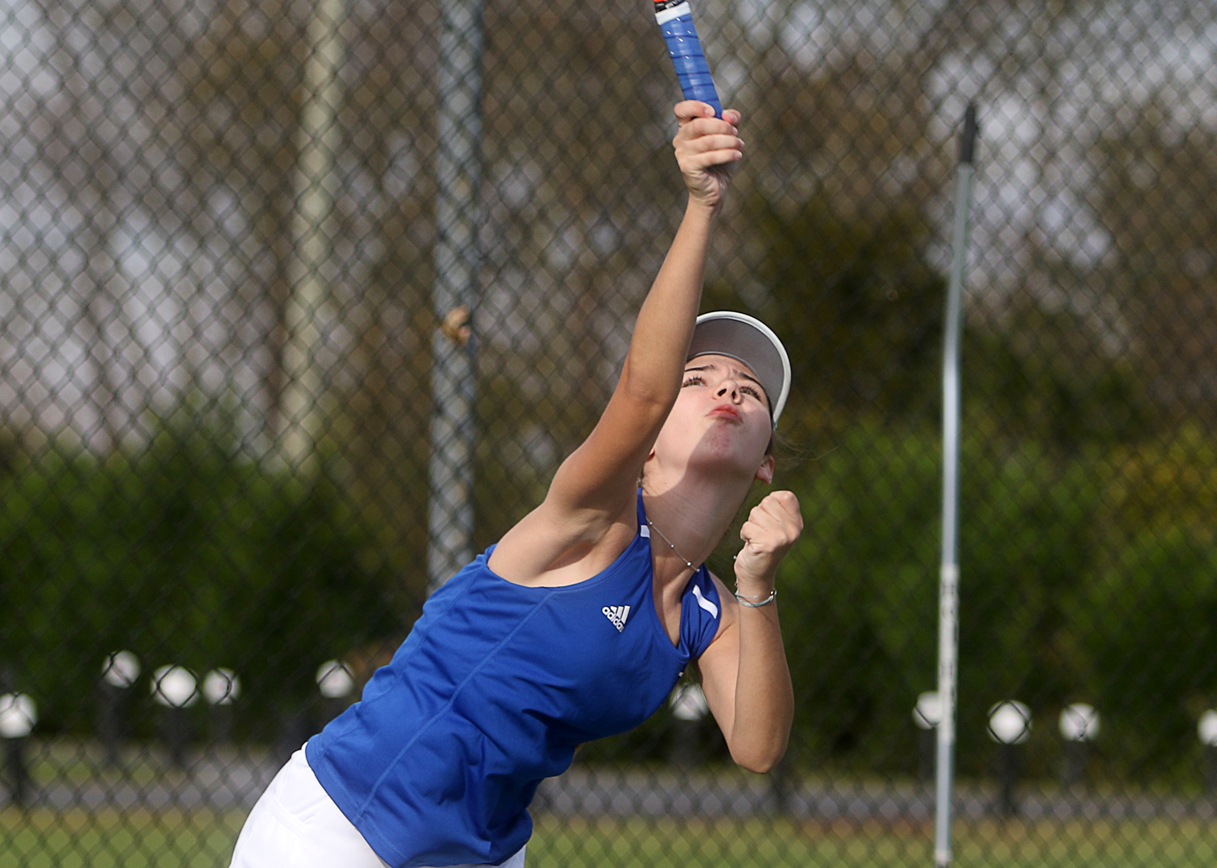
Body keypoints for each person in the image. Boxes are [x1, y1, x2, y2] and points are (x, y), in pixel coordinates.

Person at [229, 100, 804, 868]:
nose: (728, 390)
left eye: (752, 389)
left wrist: (759, 583)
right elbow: (639, 390)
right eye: (699, 378)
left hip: (483, 851)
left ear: (766, 459)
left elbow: (758, 747)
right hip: (344, 827)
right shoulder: (592, 517)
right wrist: (702, 203)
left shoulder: (710, 609)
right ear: (650, 435)